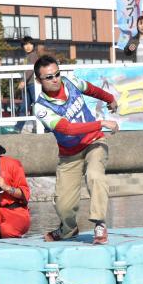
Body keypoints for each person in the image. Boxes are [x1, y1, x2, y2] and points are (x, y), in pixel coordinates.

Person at [32, 55, 120, 244]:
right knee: (63, 205)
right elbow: (67, 129)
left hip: (94, 142)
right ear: (39, 80)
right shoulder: (41, 107)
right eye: (49, 77)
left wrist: (110, 98)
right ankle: (68, 229)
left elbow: (91, 89)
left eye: (57, 74)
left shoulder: (70, 81)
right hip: (69, 154)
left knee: (95, 175)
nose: (55, 79)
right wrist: (101, 122)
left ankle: (99, 223)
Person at [18, 36, 42, 115]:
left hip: (33, 84)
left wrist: (23, 81)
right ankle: (18, 127)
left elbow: (31, 69)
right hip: (28, 84)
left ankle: (44, 126)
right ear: (22, 46)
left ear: (33, 45)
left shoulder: (33, 55)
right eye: (25, 44)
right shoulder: (27, 57)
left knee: (37, 104)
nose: (28, 46)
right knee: (24, 107)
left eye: (30, 44)